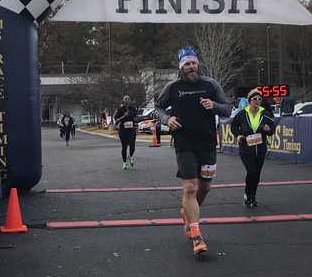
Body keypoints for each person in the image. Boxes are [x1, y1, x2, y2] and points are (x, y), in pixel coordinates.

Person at [155, 47, 231, 257]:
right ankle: (196, 235)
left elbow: (228, 108)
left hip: (207, 143)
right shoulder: (173, 87)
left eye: (194, 63)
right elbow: (157, 108)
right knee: (190, 187)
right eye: (187, 64)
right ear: (181, 67)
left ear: (198, 64)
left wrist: (213, 105)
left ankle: (187, 212)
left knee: (204, 188)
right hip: (184, 143)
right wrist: (166, 119)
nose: (191, 67)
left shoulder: (210, 84)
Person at [230, 88, 275, 208]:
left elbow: (272, 129)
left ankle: (252, 196)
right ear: (250, 100)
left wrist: (268, 130)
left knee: (257, 174)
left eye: (260, 99)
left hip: (260, 148)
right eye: (255, 99)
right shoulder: (242, 113)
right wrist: (238, 135)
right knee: (251, 171)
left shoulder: (265, 113)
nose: (257, 101)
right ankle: (247, 194)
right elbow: (234, 126)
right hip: (246, 148)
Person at [113, 95, 138, 169]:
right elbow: (116, 119)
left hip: (131, 129)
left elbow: (136, 118)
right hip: (123, 130)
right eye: (125, 99)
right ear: (123, 101)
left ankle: (130, 156)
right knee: (124, 147)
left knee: (132, 145)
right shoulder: (120, 109)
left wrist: (136, 120)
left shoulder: (133, 109)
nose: (127, 101)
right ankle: (124, 163)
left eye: (128, 99)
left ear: (130, 101)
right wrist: (123, 116)